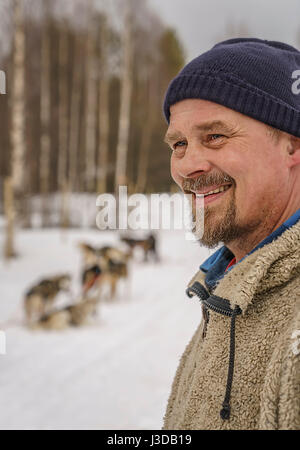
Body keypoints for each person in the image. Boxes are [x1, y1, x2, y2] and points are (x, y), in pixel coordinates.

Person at [162, 38, 300, 430]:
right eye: (179, 144)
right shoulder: (226, 285)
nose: (188, 166)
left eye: (215, 137)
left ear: (292, 145)